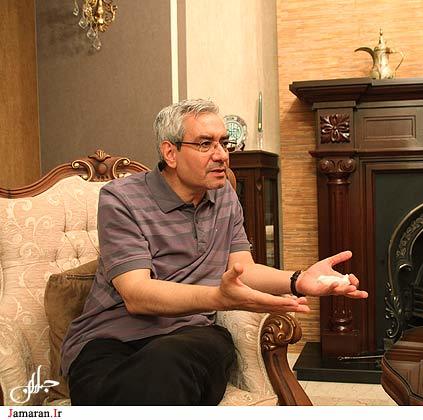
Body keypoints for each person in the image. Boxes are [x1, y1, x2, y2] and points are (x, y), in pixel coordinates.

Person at [60, 98, 368, 405]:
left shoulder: (224, 197)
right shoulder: (121, 198)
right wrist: (219, 298)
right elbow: (137, 294)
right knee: (112, 387)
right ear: (170, 153)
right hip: (110, 339)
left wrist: (299, 279)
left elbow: (243, 269)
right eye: (205, 144)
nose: (221, 155)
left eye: (224, 143)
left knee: (168, 363)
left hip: (190, 336)